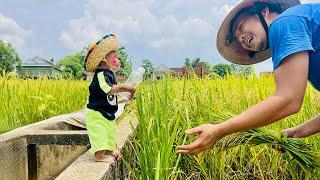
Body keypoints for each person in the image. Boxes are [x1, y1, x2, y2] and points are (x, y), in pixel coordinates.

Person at [177, 0, 320, 155]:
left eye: (241, 27)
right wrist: (295, 133)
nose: (242, 39)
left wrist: (219, 130)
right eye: (238, 39)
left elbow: (288, 100)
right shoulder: (301, 35)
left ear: (264, 11)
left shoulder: (284, 23)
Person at [84, 34, 136, 162]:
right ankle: (99, 156)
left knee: (110, 131)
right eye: (115, 57)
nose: (118, 60)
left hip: (107, 112)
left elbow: (112, 97)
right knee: (100, 133)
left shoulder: (110, 74)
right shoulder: (101, 74)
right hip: (96, 113)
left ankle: (109, 150)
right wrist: (125, 87)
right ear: (104, 59)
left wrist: (126, 98)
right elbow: (108, 89)